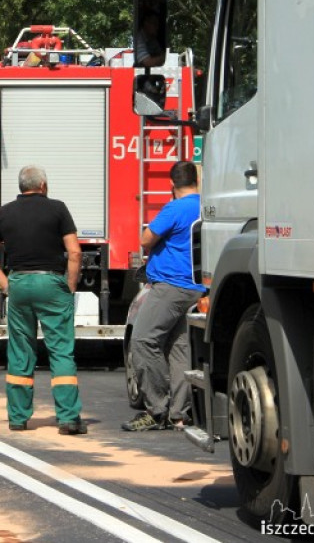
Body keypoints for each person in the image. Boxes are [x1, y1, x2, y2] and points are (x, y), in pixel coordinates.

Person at [0, 165, 86, 435]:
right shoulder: (58, 209)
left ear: (21, 187)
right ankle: (68, 418)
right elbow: (74, 252)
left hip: (19, 283)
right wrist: (70, 286)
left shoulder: (3, 213)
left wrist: (6, 285)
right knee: (60, 350)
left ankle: (18, 417)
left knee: (20, 350)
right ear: (43, 186)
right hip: (51, 283)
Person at [122, 160, 203, 431]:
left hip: (171, 286)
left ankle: (156, 410)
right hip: (195, 287)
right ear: (196, 181)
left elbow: (146, 239)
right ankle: (179, 414)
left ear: (172, 184)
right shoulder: (204, 206)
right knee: (179, 349)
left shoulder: (175, 208)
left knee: (143, 341)